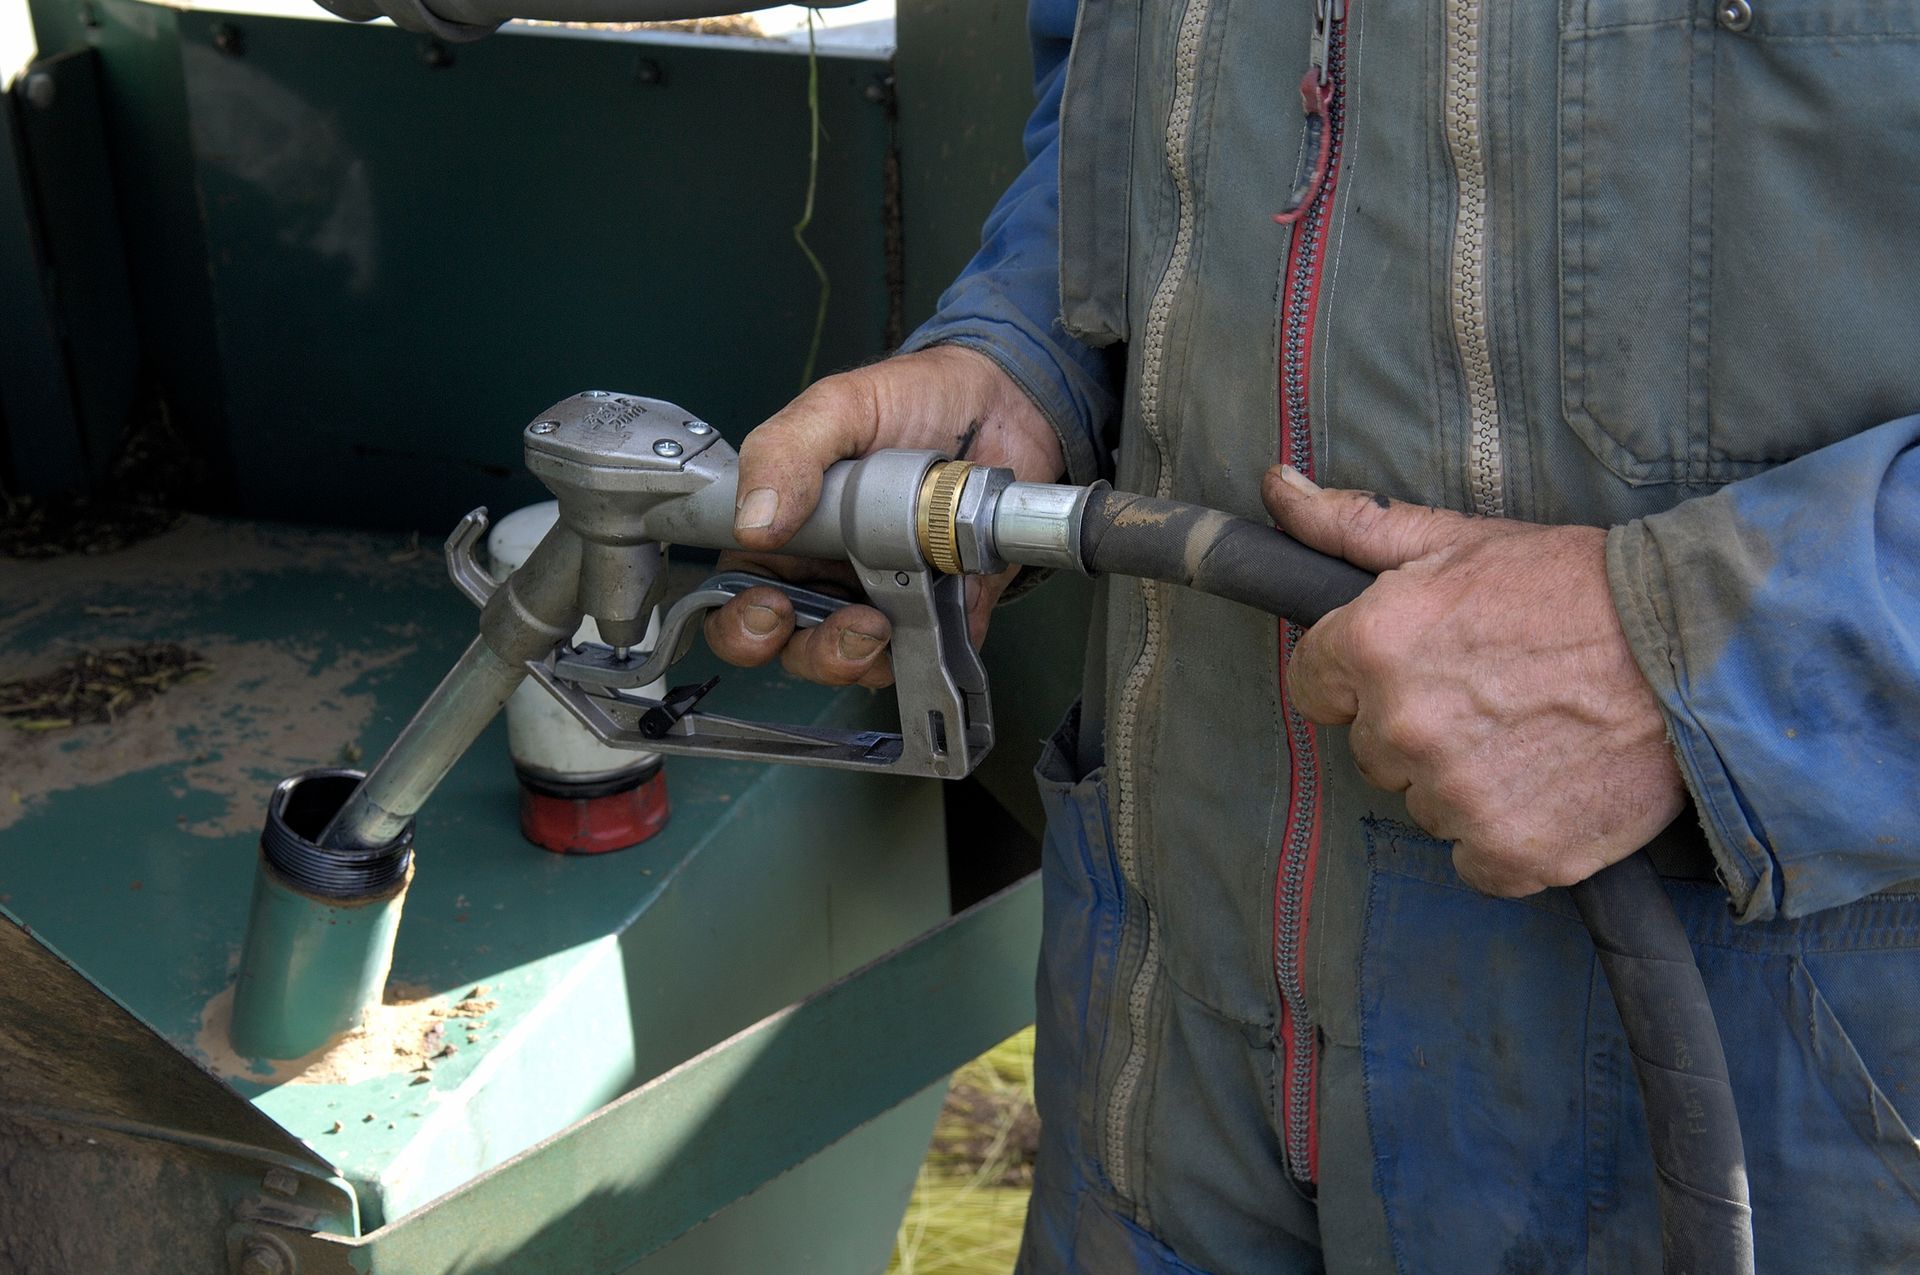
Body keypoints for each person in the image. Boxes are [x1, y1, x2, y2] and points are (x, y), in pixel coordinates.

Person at [704, 1, 1920, 1269]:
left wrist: (1712, 652)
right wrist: (1026, 358)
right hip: (1159, 1104)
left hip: (1791, 1135)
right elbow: (1116, 82)